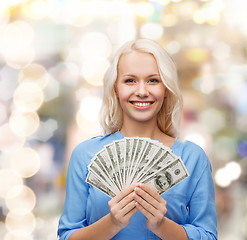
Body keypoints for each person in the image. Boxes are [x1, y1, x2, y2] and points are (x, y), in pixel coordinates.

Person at [57, 39, 217, 240]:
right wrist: (112, 223)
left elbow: (208, 236)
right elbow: (67, 236)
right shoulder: (85, 155)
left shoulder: (193, 157)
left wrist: (161, 225)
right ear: (115, 88)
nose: (142, 91)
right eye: (130, 80)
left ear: (166, 88)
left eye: (153, 80)